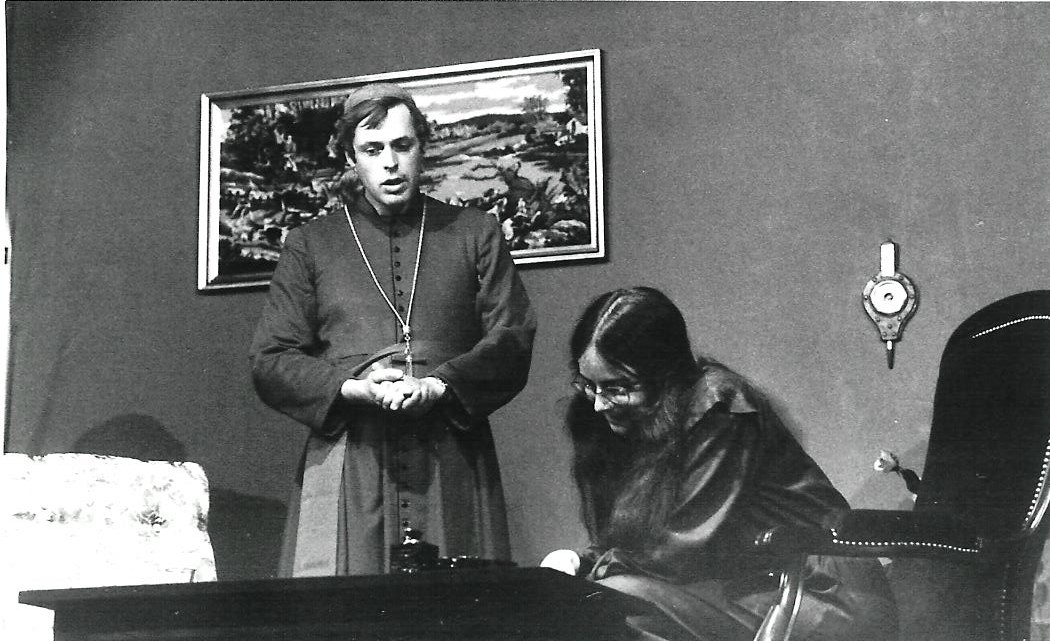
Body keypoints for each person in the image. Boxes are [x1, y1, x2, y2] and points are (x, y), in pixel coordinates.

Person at [249, 82, 536, 576]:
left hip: (451, 455)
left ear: (422, 147)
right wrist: (353, 388)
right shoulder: (310, 244)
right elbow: (271, 360)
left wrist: (439, 385)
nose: (390, 163)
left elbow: (512, 338)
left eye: (403, 146)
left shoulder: (476, 233)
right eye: (372, 149)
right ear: (350, 157)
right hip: (352, 458)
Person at [541, 287, 896, 641]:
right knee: (609, 604)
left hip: (819, 591)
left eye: (617, 388)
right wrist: (578, 560)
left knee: (614, 600)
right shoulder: (638, 421)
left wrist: (590, 570)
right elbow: (639, 535)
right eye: (589, 386)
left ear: (662, 373)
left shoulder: (718, 406)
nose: (599, 404)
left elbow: (679, 545)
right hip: (753, 583)